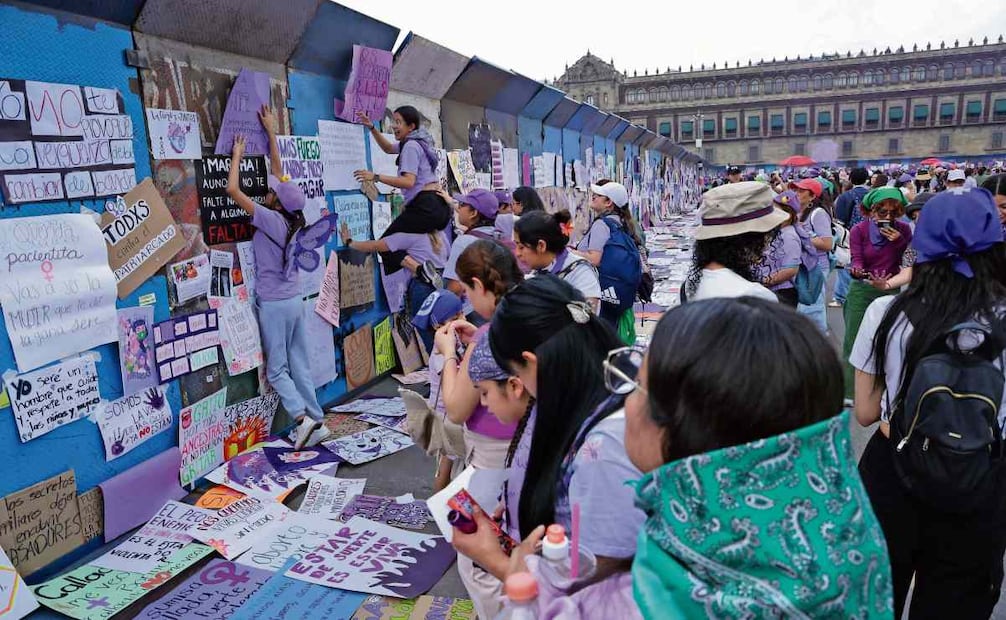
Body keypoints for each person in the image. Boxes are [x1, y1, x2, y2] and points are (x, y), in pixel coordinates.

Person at [621, 297, 892, 617]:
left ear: (690, 429)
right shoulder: (843, 528)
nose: (626, 401)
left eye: (637, 385)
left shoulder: (653, 597)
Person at [851, 187, 1006, 619]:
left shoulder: (886, 312)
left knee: (876, 598)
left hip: (893, 466)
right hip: (980, 476)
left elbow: (864, 412)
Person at [452, 276, 646, 617]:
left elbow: (591, 592)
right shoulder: (602, 379)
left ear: (531, 362)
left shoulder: (605, 450)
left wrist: (496, 561)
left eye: (516, 375)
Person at [226, 108, 329, 450]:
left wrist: (237, 155)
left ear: (276, 201)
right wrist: (271, 131)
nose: (274, 185)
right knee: (299, 362)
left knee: (277, 370)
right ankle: (318, 420)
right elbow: (279, 172)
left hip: (272, 304)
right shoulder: (297, 220)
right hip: (295, 300)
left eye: (275, 188)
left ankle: (302, 420)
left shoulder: (269, 219)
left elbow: (231, 190)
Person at [434, 240, 523, 618]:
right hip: (525, 449)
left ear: (480, 285)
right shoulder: (530, 317)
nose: (468, 299)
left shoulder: (493, 334)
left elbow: (456, 408)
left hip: (492, 456)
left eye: (468, 290)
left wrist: (451, 354)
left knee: (480, 558)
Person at [353, 106, 450, 276]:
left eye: (398, 122)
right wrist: (371, 127)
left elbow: (408, 182)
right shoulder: (416, 142)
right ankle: (429, 270)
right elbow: (389, 148)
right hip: (436, 207)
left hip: (425, 206)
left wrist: (375, 177)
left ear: (411, 126)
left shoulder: (411, 146)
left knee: (386, 245)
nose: (393, 126)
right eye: (393, 121)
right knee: (407, 242)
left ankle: (421, 272)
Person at [843, 187, 912, 400]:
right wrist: (857, 270)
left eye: (894, 212)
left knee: (889, 341)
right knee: (854, 340)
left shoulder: (905, 230)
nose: (888, 217)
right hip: (863, 289)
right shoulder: (859, 230)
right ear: (871, 211)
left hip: (891, 288)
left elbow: (910, 261)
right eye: (882, 212)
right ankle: (850, 392)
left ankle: (885, 390)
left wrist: (900, 241)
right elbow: (856, 258)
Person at [339, 223, 449, 351]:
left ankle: (441, 367)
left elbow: (375, 246)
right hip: (440, 285)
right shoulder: (440, 234)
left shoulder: (410, 234)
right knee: (440, 332)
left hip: (422, 287)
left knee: (430, 339)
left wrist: (350, 242)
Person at [682, 181, 785, 302]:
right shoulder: (754, 296)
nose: (767, 243)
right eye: (768, 236)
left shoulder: (692, 284)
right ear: (751, 240)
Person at [411, 289, 465, 491]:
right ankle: (438, 502)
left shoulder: (455, 339)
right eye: (454, 317)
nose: (461, 319)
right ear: (437, 325)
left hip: (452, 415)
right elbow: (455, 379)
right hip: (445, 418)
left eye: (461, 313)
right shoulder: (441, 351)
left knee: (454, 462)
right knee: (445, 466)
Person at [571, 181, 643, 330]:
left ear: (609, 202)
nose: (593, 197)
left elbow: (594, 259)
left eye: (597, 195)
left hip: (599, 289)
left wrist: (568, 252)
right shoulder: (621, 222)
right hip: (614, 291)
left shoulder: (602, 225)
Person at [514, 210, 600, 309]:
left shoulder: (581, 273)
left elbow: (587, 317)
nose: (517, 253)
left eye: (521, 247)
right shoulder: (538, 270)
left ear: (541, 246)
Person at [791, 178, 833, 333]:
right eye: (795, 190)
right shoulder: (797, 212)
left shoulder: (818, 213)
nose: (796, 193)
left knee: (813, 308)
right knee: (805, 306)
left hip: (816, 267)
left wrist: (802, 235)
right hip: (802, 266)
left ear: (812, 196)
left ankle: (819, 342)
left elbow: (827, 244)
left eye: (801, 191)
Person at [442, 189, 501, 297]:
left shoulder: (464, 242)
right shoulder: (498, 236)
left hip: (470, 309)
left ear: (473, 213)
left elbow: (455, 288)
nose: (459, 207)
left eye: (462, 204)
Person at [832, 167, 872, 307]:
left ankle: (843, 296)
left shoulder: (845, 196)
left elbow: (841, 220)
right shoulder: (872, 194)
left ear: (850, 179)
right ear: (867, 179)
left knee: (847, 265)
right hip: (871, 233)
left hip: (850, 235)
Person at [760, 190, 805, 307]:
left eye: (775, 210)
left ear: (787, 214)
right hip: (771, 291)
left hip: (782, 294)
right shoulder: (777, 232)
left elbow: (791, 269)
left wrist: (765, 281)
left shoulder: (789, 236)